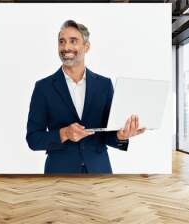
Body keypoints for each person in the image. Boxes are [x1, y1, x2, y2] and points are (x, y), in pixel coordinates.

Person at [26, 20, 145, 174]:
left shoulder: (104, 85)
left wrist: (120, 136)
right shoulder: (43, 87)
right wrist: (64, 133)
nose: (66, 47)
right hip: (59, 172)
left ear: (86, 47)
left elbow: (108, 133)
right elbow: (33, 139)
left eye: (73, 41)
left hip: (99, 170)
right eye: (62, 42)